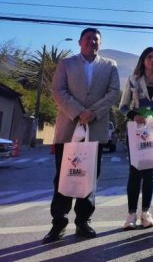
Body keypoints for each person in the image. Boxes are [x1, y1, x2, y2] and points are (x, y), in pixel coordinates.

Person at [43, 28, 120, 243]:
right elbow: (58, 91)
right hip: (68, 130)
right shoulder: (66, 64)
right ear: (80, 42)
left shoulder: (110, 66)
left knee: (89, 178)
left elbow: (113, 93)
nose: (92, 42)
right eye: (88, 39)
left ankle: (83, 222)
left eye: (96, 40)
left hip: (95, 130)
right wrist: (78, 112)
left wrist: (93, 113)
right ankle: (58, 223)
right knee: (63, 178)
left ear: (100, 43)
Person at [119, 47, 153, 230]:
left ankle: (146, 213)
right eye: (149, 57)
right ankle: (131, 215)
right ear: (143, 60)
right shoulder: (133, 80)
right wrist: (134, 116)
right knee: (135, 171)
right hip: (136, 130)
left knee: (150, 173)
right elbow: (123, 106)